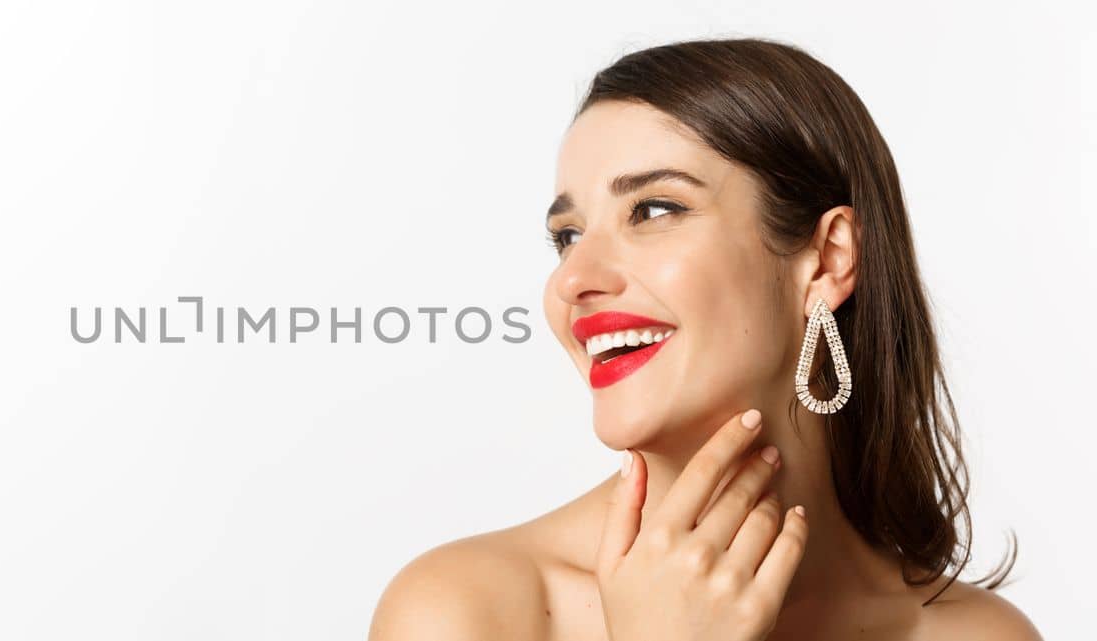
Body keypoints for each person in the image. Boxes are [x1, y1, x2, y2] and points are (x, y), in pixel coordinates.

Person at [367, 38, 1041, 641]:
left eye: (654, 209)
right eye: (567, 235)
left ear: (829, 259)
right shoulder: (465, 612)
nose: (573, 277)